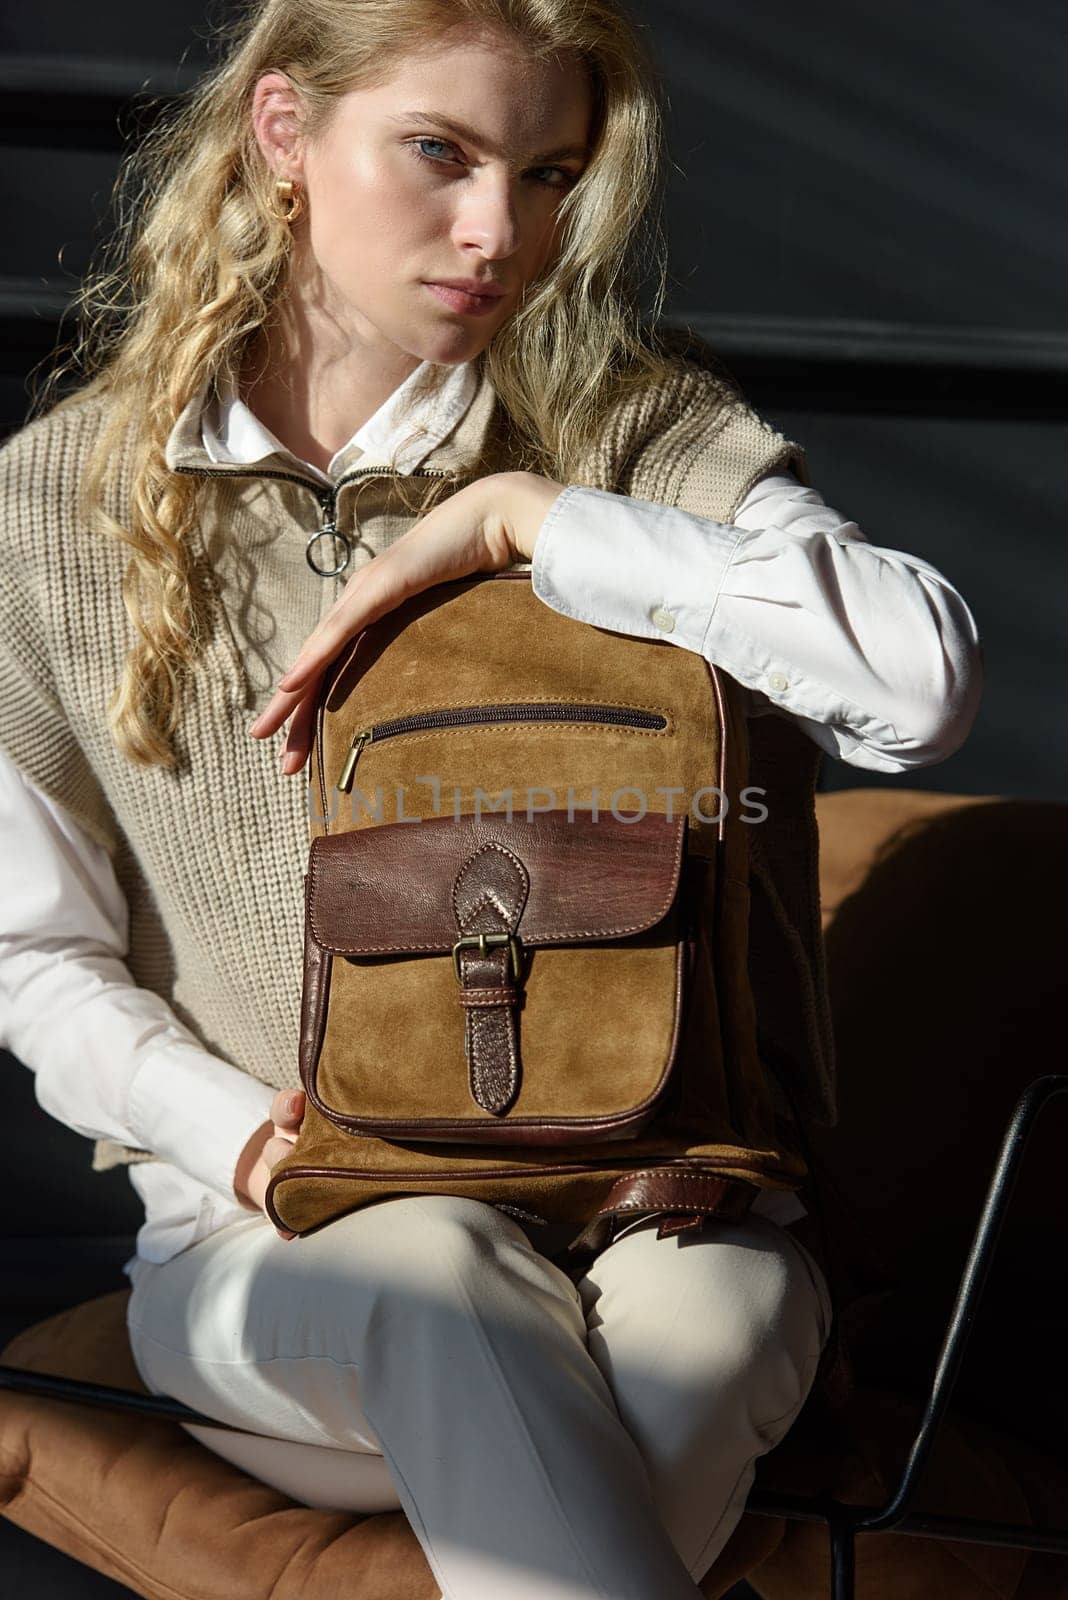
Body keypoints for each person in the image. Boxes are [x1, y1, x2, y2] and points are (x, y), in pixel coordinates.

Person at [0, 1, 982, 1596]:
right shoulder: (59, 504)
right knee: (441, 1283)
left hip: (663, 1205)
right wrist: (249, 1145)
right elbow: (29, 953)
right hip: (284, 1246)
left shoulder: (630, 433)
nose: (496, 231)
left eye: (549, 174)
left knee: (708, 1340)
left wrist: (533, 519)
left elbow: (919, 683)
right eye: (439, 154)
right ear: (282, 138)